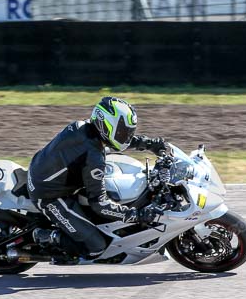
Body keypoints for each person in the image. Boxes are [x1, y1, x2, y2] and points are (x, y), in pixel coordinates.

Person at [26, 96, 170, 261]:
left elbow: (115, 141)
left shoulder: (85, 127)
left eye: (129, 132)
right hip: (48, 196)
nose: (126, 136)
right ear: (105, 124)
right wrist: (135, 215)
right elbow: (100, 204)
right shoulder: (94, 156)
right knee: (96, 247)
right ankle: (46, 236)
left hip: (44, 171)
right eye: (123, 132)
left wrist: (149, 143)